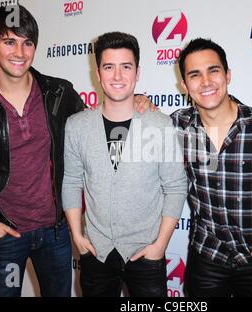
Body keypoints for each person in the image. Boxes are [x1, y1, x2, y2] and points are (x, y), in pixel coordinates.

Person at [0, 5, 84, 296]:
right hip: (5, 237)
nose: (20, 53)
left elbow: (96, 126)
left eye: (27, 43)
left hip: (55, 233)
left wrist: (135, 102)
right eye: (10, 42)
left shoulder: (60, 93)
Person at [62, 31, 187, 297]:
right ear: (98, 73)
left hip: (147, 253)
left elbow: (176, 187)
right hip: (96, 251)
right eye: (109, 67)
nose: (117, 76)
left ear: (137, 72)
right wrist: (77, 236)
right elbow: (71, 181)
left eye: (126, 67)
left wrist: (160, 245)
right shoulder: (76, 126)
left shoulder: (160, 124)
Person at [170, 38, 252, 297]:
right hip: (207, 255)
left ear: (227, 75)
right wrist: (140, 100)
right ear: (184, 85)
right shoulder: (176, 126)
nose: (205, 82)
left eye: (213, 70)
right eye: (195, 74)